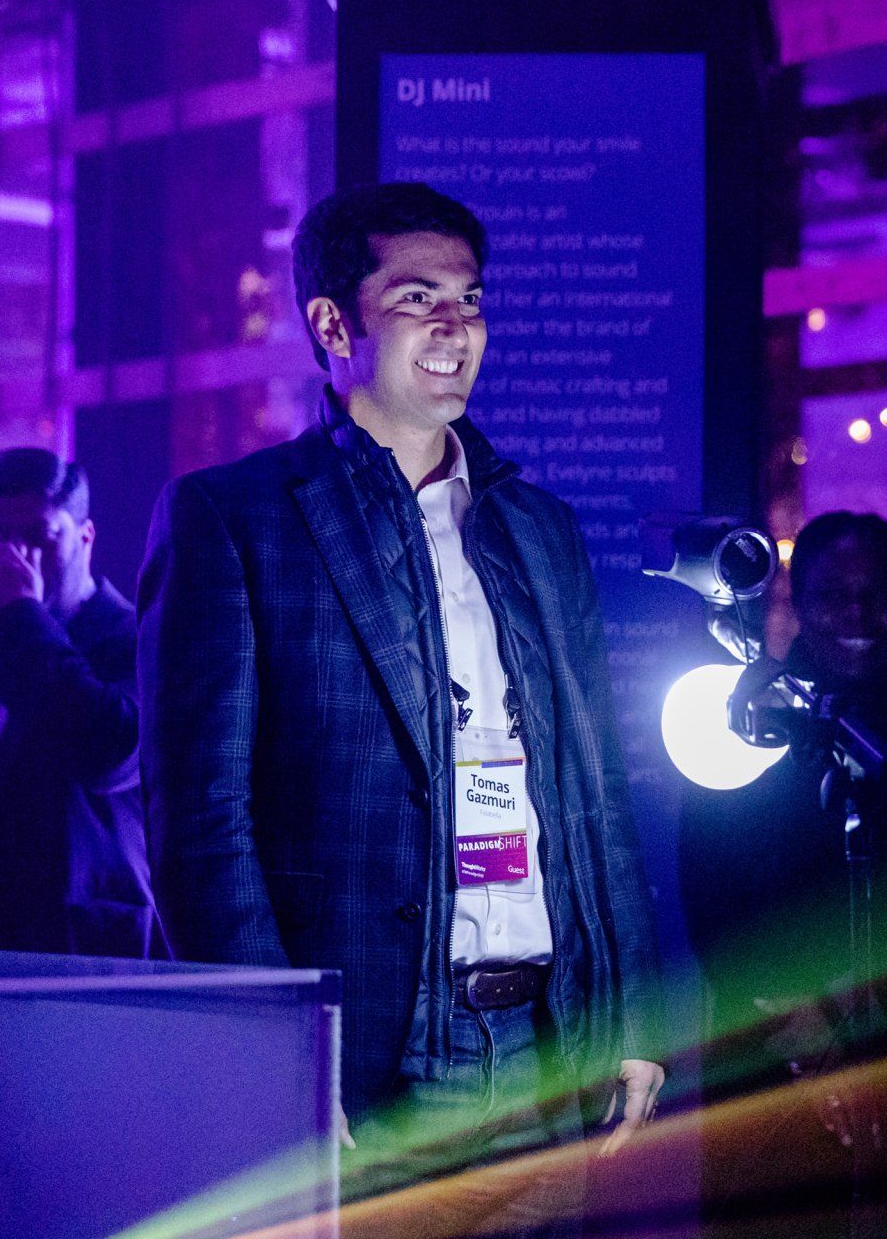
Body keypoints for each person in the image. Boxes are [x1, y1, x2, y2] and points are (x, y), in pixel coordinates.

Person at [139, 183, 664, 1228]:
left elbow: (597, 791)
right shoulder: (234, 518)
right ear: (333, 324)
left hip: (541, 1049)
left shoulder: (539, 528)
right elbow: (202, 825)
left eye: (469, 300)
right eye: (417, 297)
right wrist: (273, 1052)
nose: (454, 328)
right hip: (365, 1060)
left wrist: (631, 1014)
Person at [679, 512, 887, 1239]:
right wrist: (805, 1024)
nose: (858, 613)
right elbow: (710, 898)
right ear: (797, 600)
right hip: (768, 1074)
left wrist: (867, 1028)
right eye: (833, 595)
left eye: (878, 593)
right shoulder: (742, 724)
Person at [0, 448, 161, 958]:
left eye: (40, 537)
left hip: (63, 955)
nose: (17, 557)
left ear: (85, 537)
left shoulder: (134, 639)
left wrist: (20, 616)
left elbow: (111, 752)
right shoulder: (3, 645)